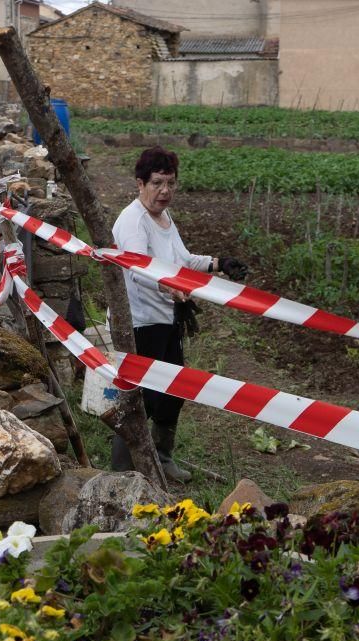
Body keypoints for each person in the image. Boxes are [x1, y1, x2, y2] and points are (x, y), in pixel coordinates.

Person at [110, 146, 248, 483]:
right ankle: (123, 470)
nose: (165, 191)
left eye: (171, 183)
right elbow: (138, 271)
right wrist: (170, 288)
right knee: (141, 396)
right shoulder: (133, 222)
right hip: (140, 322)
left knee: (174, 391)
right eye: (157, 183)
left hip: (167, 319)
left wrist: (218, 264)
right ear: (140, 183)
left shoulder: (164, 219)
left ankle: (162, 457)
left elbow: (181, 260)